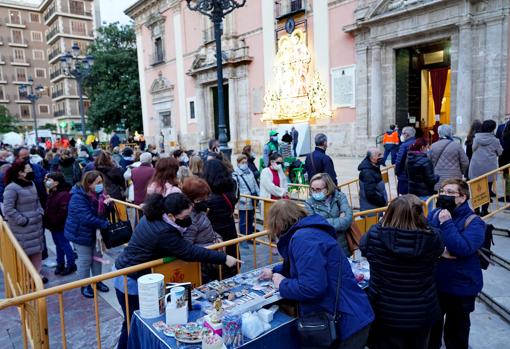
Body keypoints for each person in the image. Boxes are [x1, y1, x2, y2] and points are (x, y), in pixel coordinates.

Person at [113, 193, 241, 349]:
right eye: (186, 215)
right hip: (131, 281)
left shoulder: (156, 216)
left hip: (131, 274)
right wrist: (223, 258)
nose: (189, 218)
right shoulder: (164, 232)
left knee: (132, 323)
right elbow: (189, 251)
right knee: (133, 324)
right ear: (171, 216)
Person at [259, 200, 374, 349]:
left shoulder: (303, 238)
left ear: (278, 224)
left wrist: (282, 284)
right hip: (351, 312)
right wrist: (275, 271)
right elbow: (305, 265)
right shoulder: (308, 232)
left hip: (347, 318)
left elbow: (312, 287)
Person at [360, 195, 443, 349]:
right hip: (421, 311)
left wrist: (382, 222)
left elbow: (364, 247)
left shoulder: (374, 235)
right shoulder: (432, 238)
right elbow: (438, 241)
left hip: (385, 311)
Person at [427, 179, 485, 349]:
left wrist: (447, 223)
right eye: (442, 191)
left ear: (463, 197)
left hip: (461, 287)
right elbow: (426, 240)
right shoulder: (434, 213)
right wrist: (441, 251)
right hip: (436, 285)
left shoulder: (474, 222)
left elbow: (463, 249)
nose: (444, 195)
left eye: (450, 192)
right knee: (432, 332)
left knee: (457, 334)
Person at [64, 171, 111, 298]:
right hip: (80, 233)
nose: (101, 185)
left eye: (101, 182)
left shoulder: (99, 194)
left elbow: (102, 211)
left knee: (97, 258)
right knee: (85, 260)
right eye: (98, 183)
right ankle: (85, 285)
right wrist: (103, 223)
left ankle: (97, 281)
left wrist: (108, 204)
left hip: (95, 233)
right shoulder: (78, 196)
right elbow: (85, 217)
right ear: (89, 184)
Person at [3, 161, 46, 283]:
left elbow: (37, 200)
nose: (30, 171)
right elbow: (9, 209)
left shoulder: (31, 183)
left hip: (36, 225)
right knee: (25, 254)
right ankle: (26, 279)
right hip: (23, 228)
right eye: (27, 170)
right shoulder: (11, 188)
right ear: (20, 173)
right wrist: (23, 220)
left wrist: (40, 212)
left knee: (37, 252)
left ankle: (37, 276)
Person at [202, 159, 239, 277]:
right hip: (230, 228)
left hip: (215, 232)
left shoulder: (209, 197)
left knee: (217, 262)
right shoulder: (231, 186)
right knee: (232, 253)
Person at [305, 173, 353, 256]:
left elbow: (347, 220)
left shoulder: (339, 197)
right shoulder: (309, 203)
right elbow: (314, 225)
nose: (315, 192)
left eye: (318, 189)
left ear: (328, 188)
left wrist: (323, 222)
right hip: (323, 248)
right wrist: (340, 219)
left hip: (342, 247)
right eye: (312, 189)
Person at [43, 173, 76, 276]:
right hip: (53, 225)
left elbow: (64, 211)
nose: (47, 182)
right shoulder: (52, 192)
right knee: (58, 245)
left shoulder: (64, 194)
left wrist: (55, 221)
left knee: (64, 244)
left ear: (56, 182)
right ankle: (60, 263)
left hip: (60, 225)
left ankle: (71, 264)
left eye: (49, 180)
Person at [468, 120, 503, 215]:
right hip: (489, 167)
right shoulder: (495, 140)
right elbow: (500, 152)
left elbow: (473, 149)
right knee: (487, 189)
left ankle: (476, 210)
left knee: (476, 188)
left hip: (476, 166)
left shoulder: (477, 138)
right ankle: (484, 210)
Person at [181, 176, 222, 246]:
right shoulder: (189, 219)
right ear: (190, 198)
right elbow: (188, 247)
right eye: (200, 199)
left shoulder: (199, 211)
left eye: (206, 197)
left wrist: (218, 238)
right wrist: (210, 247)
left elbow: (207, 230)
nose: (205, 200)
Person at [429, 124, 469, 191]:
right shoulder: (457, 146)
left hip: (438, 177)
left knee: (440, 196)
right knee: (454, 195)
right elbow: (465, 162)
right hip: (455, 176)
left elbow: (429, 162)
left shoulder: (433, 146)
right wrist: (461, 172)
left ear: (439, 133)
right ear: (450, 133)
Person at [233, 155, 260, 247]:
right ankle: (243, 240)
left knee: (250, 220)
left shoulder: (250, 172)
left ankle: (249, 238)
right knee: (243, 221)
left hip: (252, 200)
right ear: (238, 163)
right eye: (242, 163)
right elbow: (236, 189)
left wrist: (258, 195)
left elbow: (255, 184)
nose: (245, 164)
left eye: (246, 162)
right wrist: (241, 199)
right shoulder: (235, 174)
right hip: (243, 202)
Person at [395, 126, 416, 195]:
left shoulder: (404, 146)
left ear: (406, 134)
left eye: (402, 133)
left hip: (404, 176)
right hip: (415, 176)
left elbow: (399, 161)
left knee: (404, 198)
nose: (401, 135)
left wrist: (397, 172)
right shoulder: (417, 143)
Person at [496, 114, 510, 201]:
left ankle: (508, 195)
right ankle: (508, 195)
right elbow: (497, 140)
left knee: (508, 177)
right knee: (507, 177)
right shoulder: (501, 127)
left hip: (505, 156)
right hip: (504, 157)